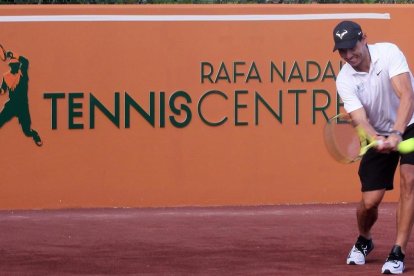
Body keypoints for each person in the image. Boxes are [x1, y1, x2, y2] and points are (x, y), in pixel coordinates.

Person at [333, 20, 414, 274]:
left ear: (364, 38)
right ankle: (365, 238)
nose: (348, 55)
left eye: (351, 48)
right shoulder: (344, 79)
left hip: (409, 124)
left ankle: (397, 251)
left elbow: (407, 96)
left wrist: (398, 133)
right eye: (342, 51)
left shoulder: (389, 53)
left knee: (409, 180)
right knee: (370, 202)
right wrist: (377, 139)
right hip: (377, 131)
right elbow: (360, 120)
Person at [0, 51, 42, 146]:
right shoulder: (6, 77)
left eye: (17, 65)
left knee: (27, 131)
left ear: (19, 65)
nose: (16, 66)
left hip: (22, 106)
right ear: (10, 65)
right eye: (14, 65)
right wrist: (0, 91)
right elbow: (3, 89)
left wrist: (14, 55)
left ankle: (34, 134)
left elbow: (26, 61)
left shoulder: (23, 75)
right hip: (11, 105)